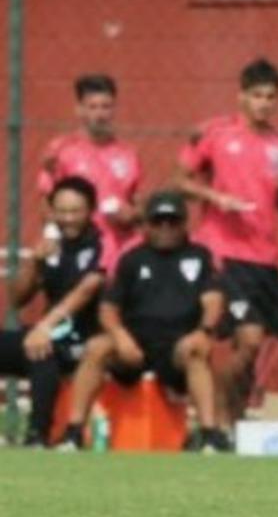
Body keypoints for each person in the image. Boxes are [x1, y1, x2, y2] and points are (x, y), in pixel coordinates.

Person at [177, 58, 278, 428]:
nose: (264, 103)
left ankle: (232, 417)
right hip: (223, 253)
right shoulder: (216, 134)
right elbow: (180, 181)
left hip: (264, 257)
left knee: (251, 348)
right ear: (241, 96)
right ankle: (219, 418)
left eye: (271, 97)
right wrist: (216, 198)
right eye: (257, 95)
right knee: (247, 339)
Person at [59, 191, 225, 452]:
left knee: (196, 351)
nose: (165, 228)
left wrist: (203, 332)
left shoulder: (200, 256)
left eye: (173, 222)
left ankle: (210, 435)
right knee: (96, 348)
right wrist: (121, 338)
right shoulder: (132, 259)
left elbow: (213, 300)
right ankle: (73, 432)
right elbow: (108, 309)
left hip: (178, 345)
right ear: (146, 225)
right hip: (135, 343)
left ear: (184, 224)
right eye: (158, 222)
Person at [0, 177, 107, 445]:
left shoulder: (104, 244)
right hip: (48, 334)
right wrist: (35, 262)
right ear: (51, 210)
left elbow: (86, 290)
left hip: (87, 338)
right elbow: (17, 298)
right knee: (31, 347)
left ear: (91, 210)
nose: (68, 218)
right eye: (62, 211)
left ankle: (37, 435)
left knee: (42, 355)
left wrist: (44, 327)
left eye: (75, 211)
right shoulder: (51, 243)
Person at [37, 73, 143, 268]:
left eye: (106, 106)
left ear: (114, 109)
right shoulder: (60, 150)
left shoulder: (129, 153)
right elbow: (46, 203)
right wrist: (51, 236)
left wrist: (132, 215)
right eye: (92, 107)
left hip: (118, 250)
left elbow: (139, 205)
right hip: (75, 249)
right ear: (79, 110)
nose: (100, 114)